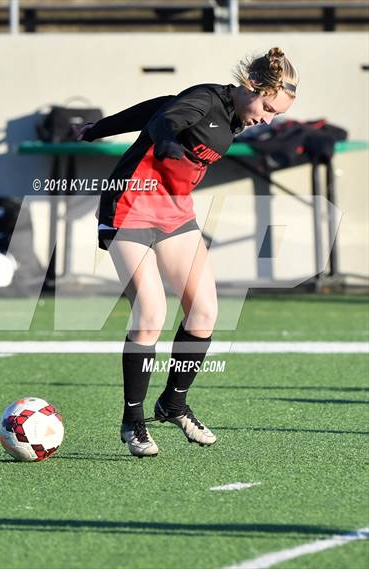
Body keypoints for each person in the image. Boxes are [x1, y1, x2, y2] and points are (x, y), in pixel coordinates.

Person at [76, 47, 298, 458]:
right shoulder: (204, 98)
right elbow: (165, 120)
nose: (267, 119)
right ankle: (133, 421)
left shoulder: (235, 115)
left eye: (275, 115)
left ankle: (173, 405)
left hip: (174, 210)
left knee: (205, 312)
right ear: (250, 87)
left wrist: (98, 128)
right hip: (131, 202)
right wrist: (164, 145)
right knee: (151, 313)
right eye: (267, 107)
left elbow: (154, 107)